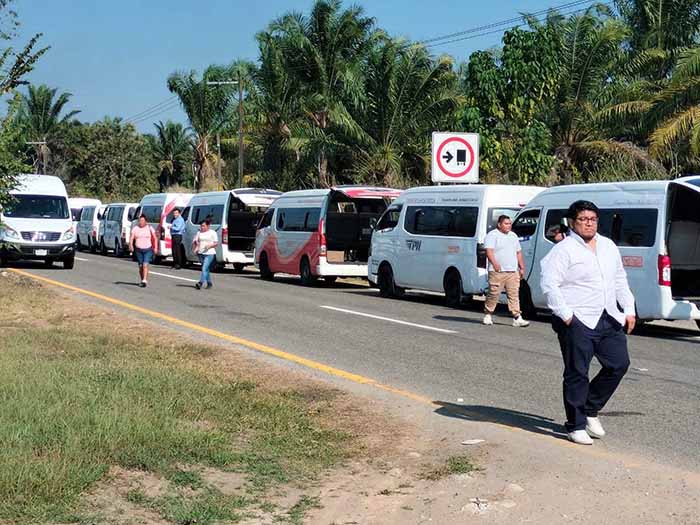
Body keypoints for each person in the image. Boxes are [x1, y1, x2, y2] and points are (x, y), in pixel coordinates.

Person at [540, 200, 635, 446]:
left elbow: (619, 279)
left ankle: (590, 408)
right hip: (577, 318)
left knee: (618, 364)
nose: (588, 224)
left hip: (608, 316)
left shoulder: (608, 246)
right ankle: (576, 425)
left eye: (592, 219)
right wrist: (566, 315)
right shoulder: (563, 250)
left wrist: (628, 309)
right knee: (577, 372)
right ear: (572, 222)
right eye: (583, 219)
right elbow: (549, 284)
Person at [483, 215, 530, 327]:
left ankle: (517, 317)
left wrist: (521, 267)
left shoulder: (513, 236)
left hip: (512, 271)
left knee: (514, 294)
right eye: (506, 224)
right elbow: (489, 251)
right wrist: (495, 263)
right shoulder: (492, 235)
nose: (509, 226)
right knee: (493, 293)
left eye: (510, 224)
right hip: (497, 271)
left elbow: (518, 252)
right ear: (499, 224)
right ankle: (488, 314)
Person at [129, 214, 157, 287]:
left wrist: (156, 248)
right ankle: (142, 280)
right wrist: (131, 245)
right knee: (141, 266)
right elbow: (131, 238)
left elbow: (155, 238)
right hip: (138, 250)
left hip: (148, 249)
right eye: (140, 221)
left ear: (146, 221)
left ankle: (144, 280)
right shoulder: (135, 228)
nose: (141, 222)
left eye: (142, 221)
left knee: (145, 265)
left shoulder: (150, 228)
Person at [192, 219, 218, 290]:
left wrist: (210, 246)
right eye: (201, 226)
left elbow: (216, 243)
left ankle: (200, 282)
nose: (202, 227)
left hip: (210, 253)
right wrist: (195, 248)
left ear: (208, 226)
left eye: (203, 226)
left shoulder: (212, 233)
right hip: (201, 253)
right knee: (206, 269)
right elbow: (195, 241)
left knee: (204, 268)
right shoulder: (199, 232)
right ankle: (209, 283)